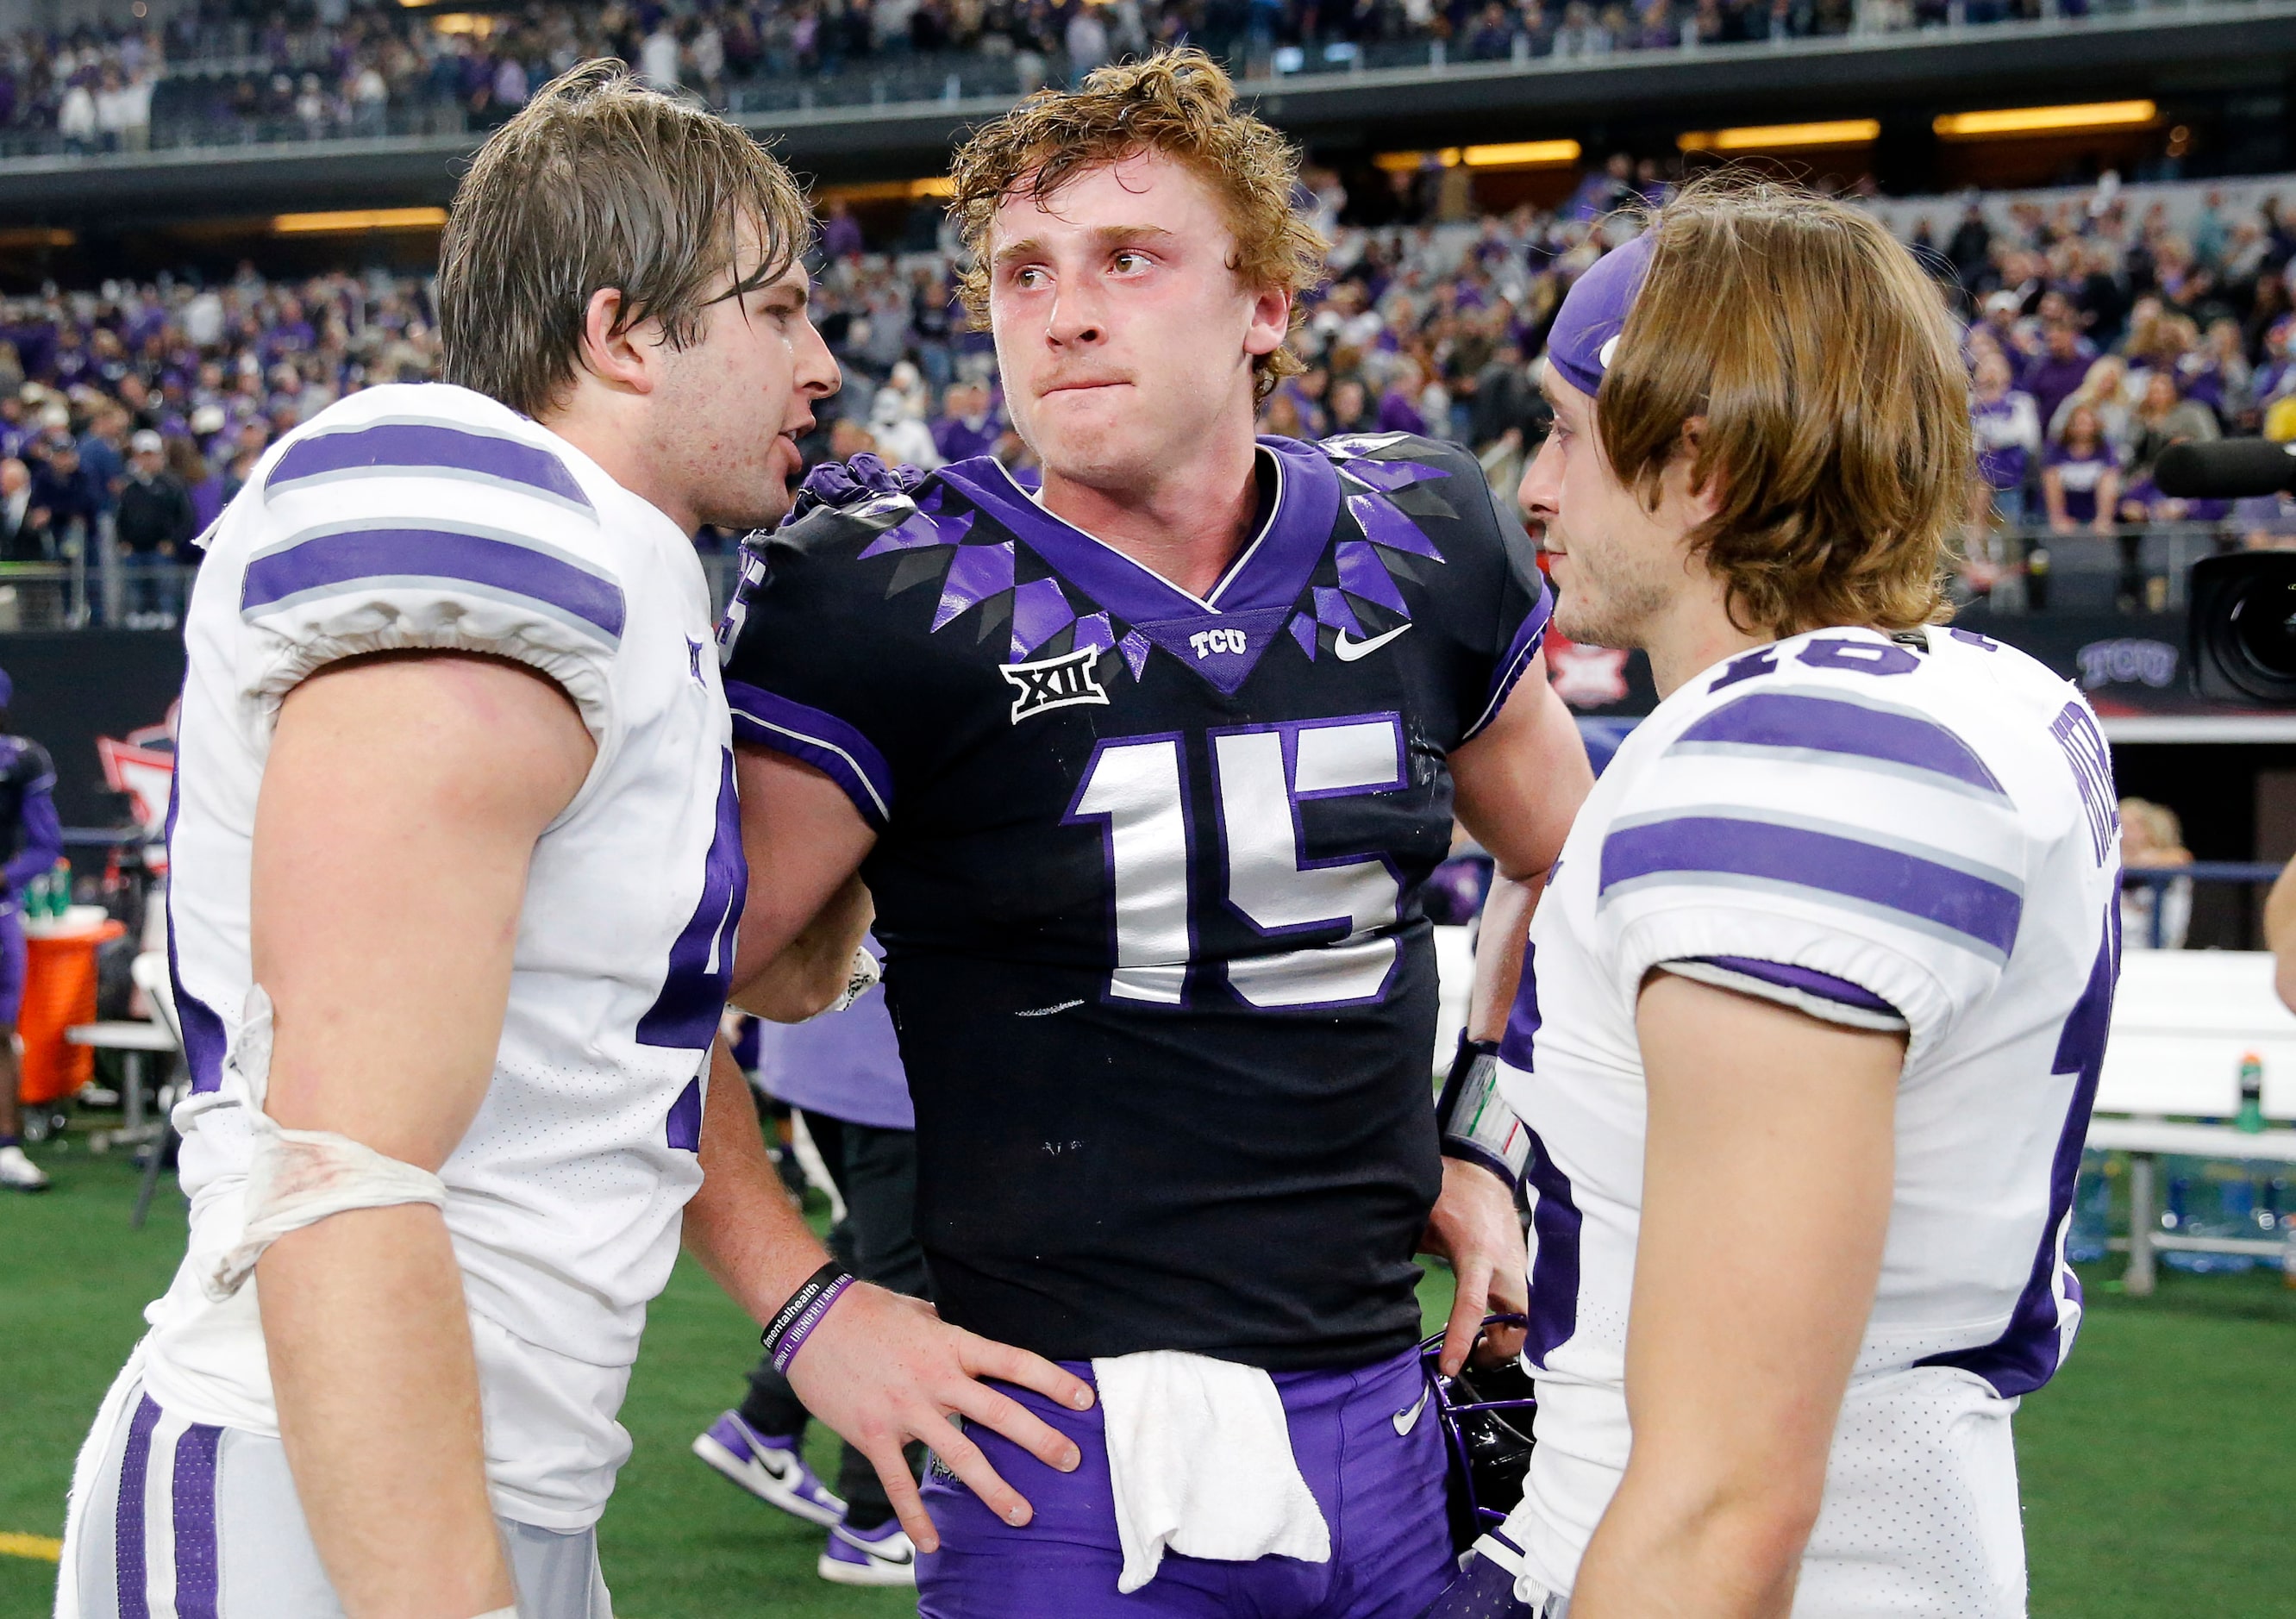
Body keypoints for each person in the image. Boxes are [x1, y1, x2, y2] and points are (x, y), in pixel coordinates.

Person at [58, 64, 1092, 1619]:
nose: (823, 363)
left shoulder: (634, 583)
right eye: (778, 310)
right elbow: (340, 1165)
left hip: (483, 1469)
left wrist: (882, 682)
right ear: (618, 334)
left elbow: (684, 1004)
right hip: (321, 1481)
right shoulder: (497, 537)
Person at [717, 48, 1592, 1618]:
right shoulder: (879, 583)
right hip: (1049, 1436)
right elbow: (643, 991)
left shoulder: (1424, 529)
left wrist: (1486, 1139)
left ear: (1261, 301)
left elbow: (1575, 874)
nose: (1062, 311)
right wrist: (802, 1304)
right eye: (1021, 271)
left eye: (1128, 258)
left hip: (1380, 1407)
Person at [1430, 178, 2123, 1618]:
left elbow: (1724, 1501)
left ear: (1694, 465)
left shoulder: (1781, 768)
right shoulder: (1984, 696)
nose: (1535, 489)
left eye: (1564, 432)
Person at [693, 935, 932, 1585]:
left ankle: (765, 1423)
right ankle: (875, 1522)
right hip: (894, 1055)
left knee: (875, 1252)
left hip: (829, 1039)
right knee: (905, 1273)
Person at [0, 666, 62, 1192]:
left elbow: (46, 845)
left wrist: (6, 874)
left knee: (1, 1031)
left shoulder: (19, 760)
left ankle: (7, 1147)